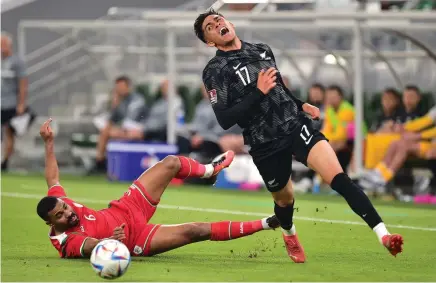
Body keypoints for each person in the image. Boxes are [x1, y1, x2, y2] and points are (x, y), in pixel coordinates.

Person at [194, 9, 403, 263]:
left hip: (295, 125)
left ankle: (384, 235)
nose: (217, 24)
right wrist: (258, 92)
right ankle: (288, 232)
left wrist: (301, 104)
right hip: (264, 141)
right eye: (210, 27)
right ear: (210, 41)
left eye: (219, 20)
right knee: (285, 201)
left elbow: (279, 86)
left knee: (339, 179)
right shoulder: (215, 70)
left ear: (230, 23)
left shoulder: (261, 49)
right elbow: (225, 119)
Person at [37, 119, 279, 258]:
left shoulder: (59, 204)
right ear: (51, 224)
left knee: (171, 163)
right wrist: (108, 242)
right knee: (195, 230)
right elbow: (88, 246)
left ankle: (209, 171)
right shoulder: (66, 241)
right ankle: (267, 223)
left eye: (64, 207)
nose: (67, 212)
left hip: (126, 208)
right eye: (59, 215)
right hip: (133, 240)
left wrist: (49, 144)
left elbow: (53, 180)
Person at [91, 75, 148, 174]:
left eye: (121, 86)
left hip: (139, 130)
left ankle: (103, 163)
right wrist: (114, 105)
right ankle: (100, 162)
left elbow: (131, 119)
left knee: (112, 132)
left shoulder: (137, 99)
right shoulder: (120, 101)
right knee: (105, 131)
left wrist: (118, 128)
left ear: (128, 86)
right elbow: (112, 119)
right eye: (117, 87)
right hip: (125, 130)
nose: (119, 89)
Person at [1, 32, 28, 171]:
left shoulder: (16, 62)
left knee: (8, 132)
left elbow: (23, 83)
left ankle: (5, 162)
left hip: (10, 103)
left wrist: (21, 103)